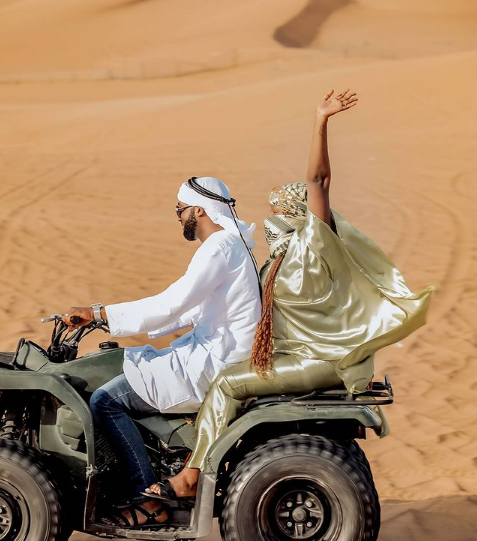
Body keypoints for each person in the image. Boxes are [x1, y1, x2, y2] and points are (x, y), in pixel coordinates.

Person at [144, 88, 434, 501]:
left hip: (321, 360)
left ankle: (191, 476)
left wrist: (320, 120)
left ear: (299, 217)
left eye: (279, 211)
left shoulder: (315, 247)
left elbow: (318, 180)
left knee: (226, 383)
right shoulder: (276, 263)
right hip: (294, 354)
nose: (271, 219)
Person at [63, 177, 261, 527]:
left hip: (215, 362)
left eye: (179, 209)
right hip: (217, 352)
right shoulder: (234, 244)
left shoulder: (219, 248)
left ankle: (147, 500)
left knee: (105, 401)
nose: (178, 216)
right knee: (136, 365)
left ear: (198, 210)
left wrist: (99, 313)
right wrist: (112, 321)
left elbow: (173, 303)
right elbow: (191, 309)